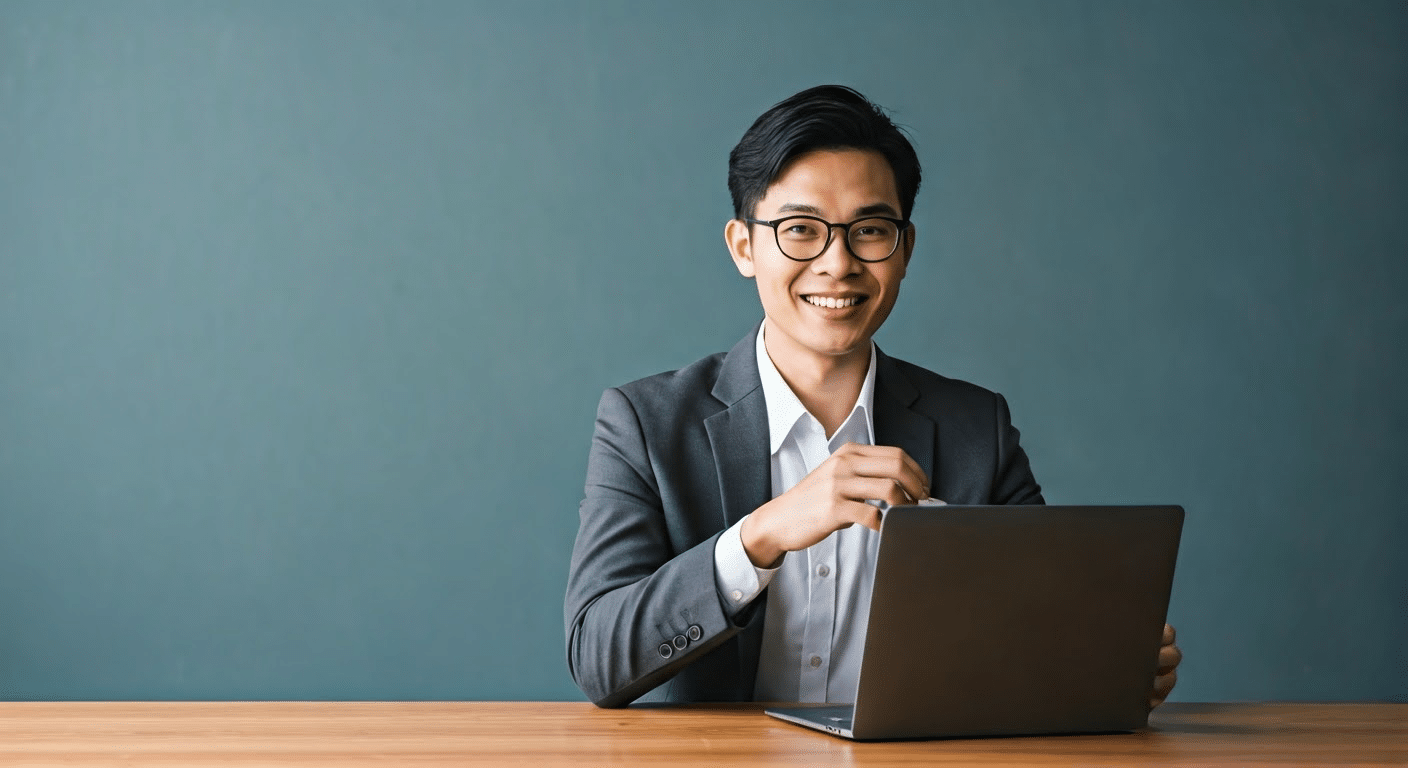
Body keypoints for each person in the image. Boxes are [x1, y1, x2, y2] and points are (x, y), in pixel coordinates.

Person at [564, 85, 1181, 709]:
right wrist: (763, 534)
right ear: (744, 247)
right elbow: (598, 658)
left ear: (905, 249)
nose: (838, 263)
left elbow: (1038, 631)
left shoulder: (976, 427)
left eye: (870, 230)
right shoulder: (645, 423)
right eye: (800, 230)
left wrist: (1107, 660)